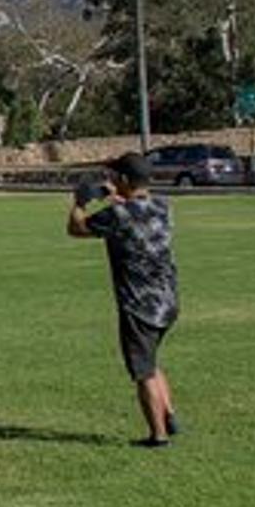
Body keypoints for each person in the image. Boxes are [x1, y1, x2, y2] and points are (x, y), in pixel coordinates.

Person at [67, 152, 181, 448]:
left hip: (138, 305)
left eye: (116, 176)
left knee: (142, 371)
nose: (112, 180)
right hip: (167, 301)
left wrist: (80, 201)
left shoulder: (117, 215)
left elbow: (76, 228)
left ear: (126, 180)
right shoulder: (164, 207)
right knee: (152, 361)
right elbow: (136, 214)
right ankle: (169, 415)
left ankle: (158, 436)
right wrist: (116, 197)